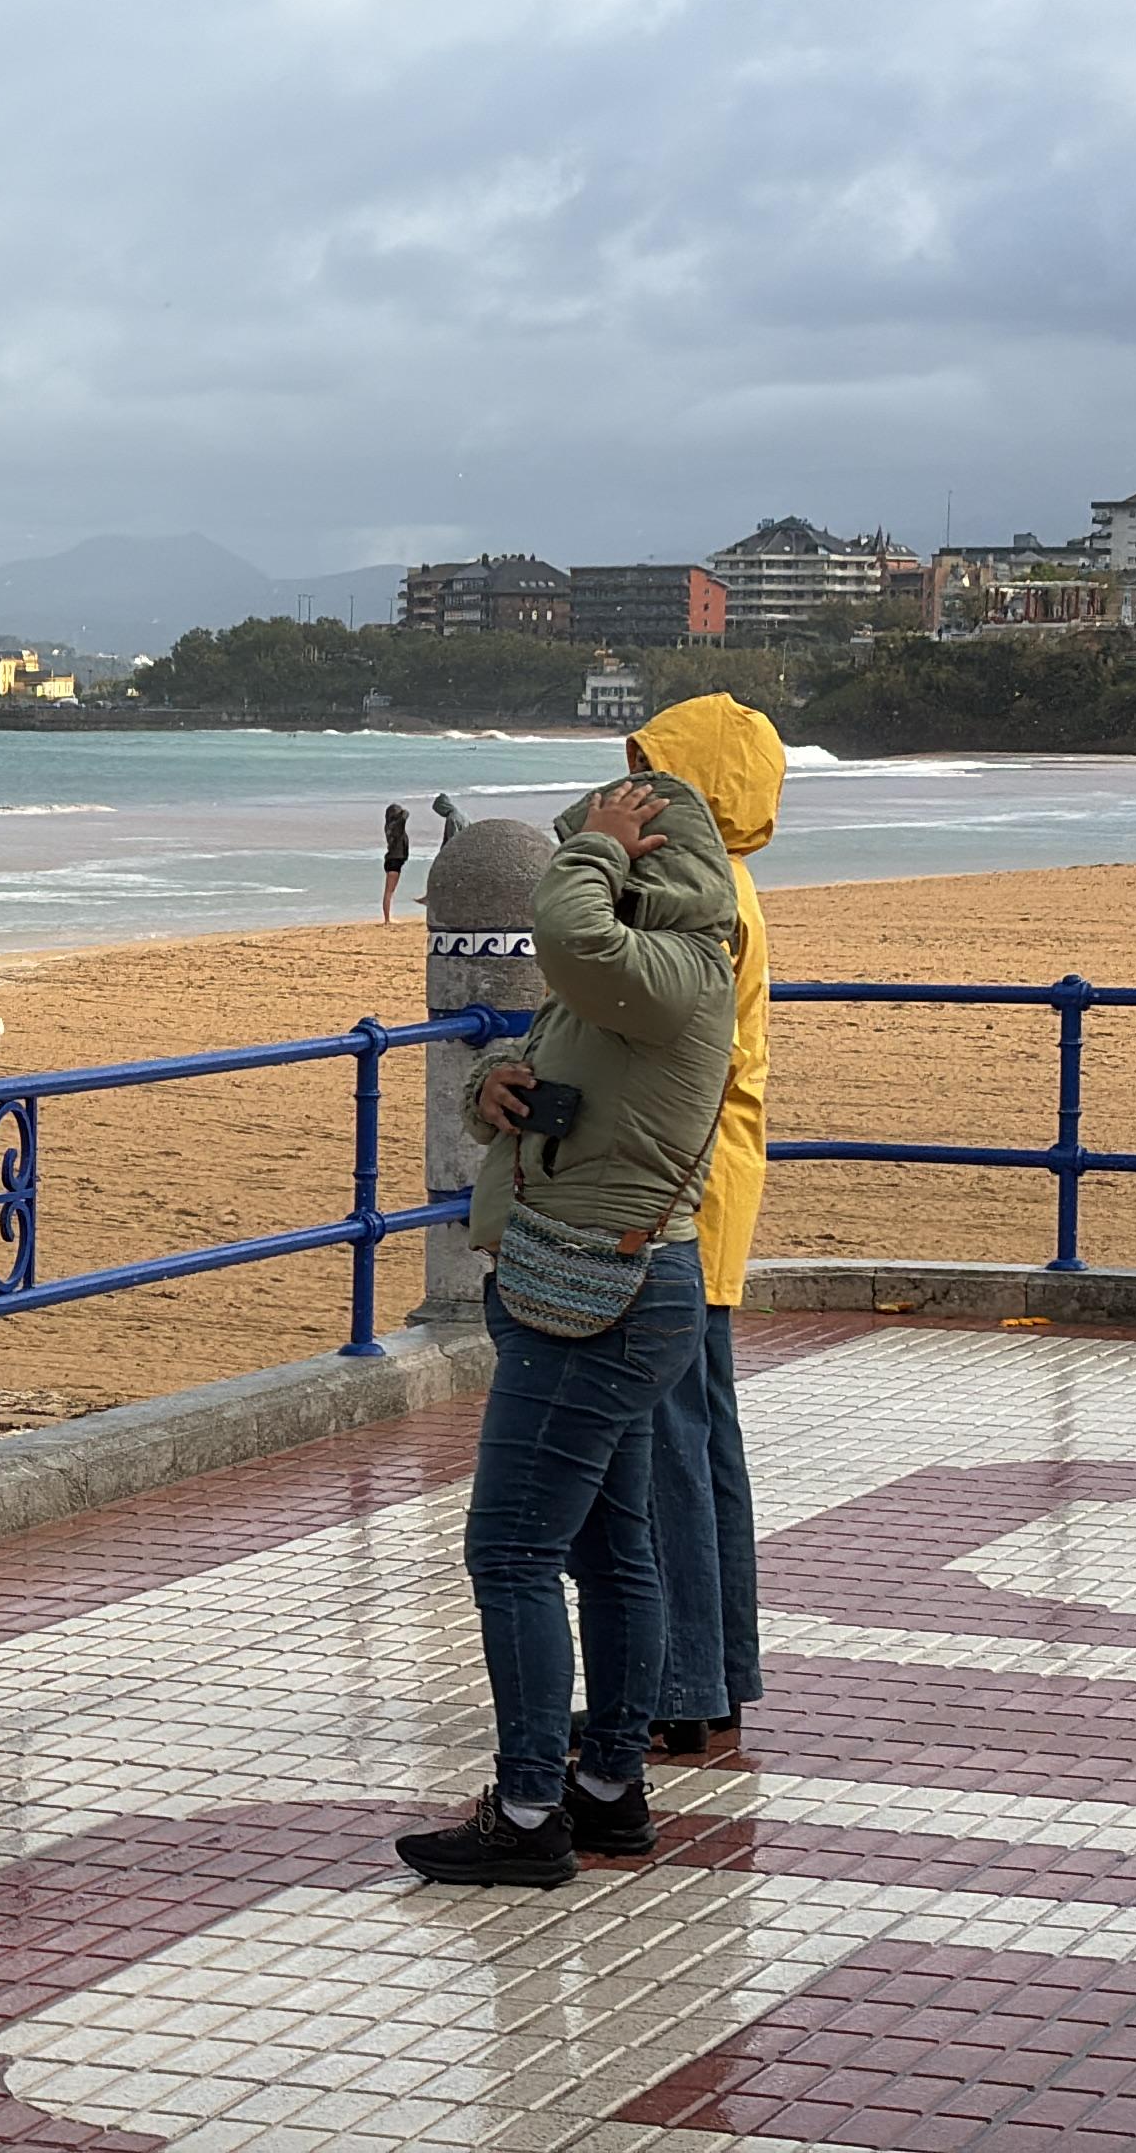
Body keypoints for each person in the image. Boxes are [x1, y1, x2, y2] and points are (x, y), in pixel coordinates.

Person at [396, 769, 736, 1889]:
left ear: (654, 855)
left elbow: (568, 944)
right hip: (613, 1287)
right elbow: (552, 1034)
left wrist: (592, 848)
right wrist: (491, 1084)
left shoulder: (677, 965)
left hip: (599, 1296)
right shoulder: (639, 970)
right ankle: (606, 1789)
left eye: (616, 838)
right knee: (605, 1548)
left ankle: (532, 1807)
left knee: (510, 1551)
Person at [625, 695, 785, 1755]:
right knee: (702, 1432)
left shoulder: (701, 896)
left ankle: (681, 1681)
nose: (630, 789)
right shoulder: (732, 884)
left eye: (650, 771)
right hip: (713, 1184)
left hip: (675, 1190)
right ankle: (717, 1666)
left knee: (668, 1443)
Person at [381, 802, 413, 920]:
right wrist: (402, 812)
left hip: (392, 860)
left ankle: (388, 917)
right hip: (394, 861)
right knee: (389, 892)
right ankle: (387, 919)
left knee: (389, 892)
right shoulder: (397, 827)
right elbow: (406, 814)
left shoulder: (388, 826)